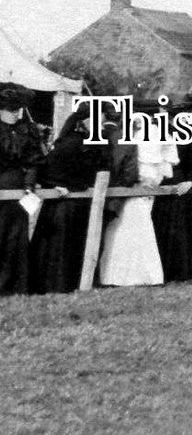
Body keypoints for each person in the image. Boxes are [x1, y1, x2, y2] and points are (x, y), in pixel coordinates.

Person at [30, 105, 113, 293]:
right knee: (60, 248)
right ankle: (56, 285)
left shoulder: (93, 143)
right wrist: (56, 184)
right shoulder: (69, 143)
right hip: (64, 206)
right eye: (96, 121)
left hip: (80, 204)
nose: (100, 125)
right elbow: (47, 171)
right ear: (83, 123)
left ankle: (73, 283)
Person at [99, 100, 174, 287]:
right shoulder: (135, 133)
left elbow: (160, 163)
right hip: (133, 187)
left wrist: (149, 180)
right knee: (124, 229)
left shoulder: (150, 135)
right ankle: (119, 275)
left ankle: (139, 275)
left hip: (139, 188)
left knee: (134, 228)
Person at [152, 90, 192, 281]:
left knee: (179, 233)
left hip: (182, 193)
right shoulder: (159, 132)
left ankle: (179, 274)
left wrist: (191, 181)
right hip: (162, 190)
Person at [0, 83, 45, 295]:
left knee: (15, 238)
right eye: (11, 111)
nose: (16, 115)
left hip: (18, 190)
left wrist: (29, 182)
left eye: (18, 111)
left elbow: (35, 161)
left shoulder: (26, 131)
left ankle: (13, 285)